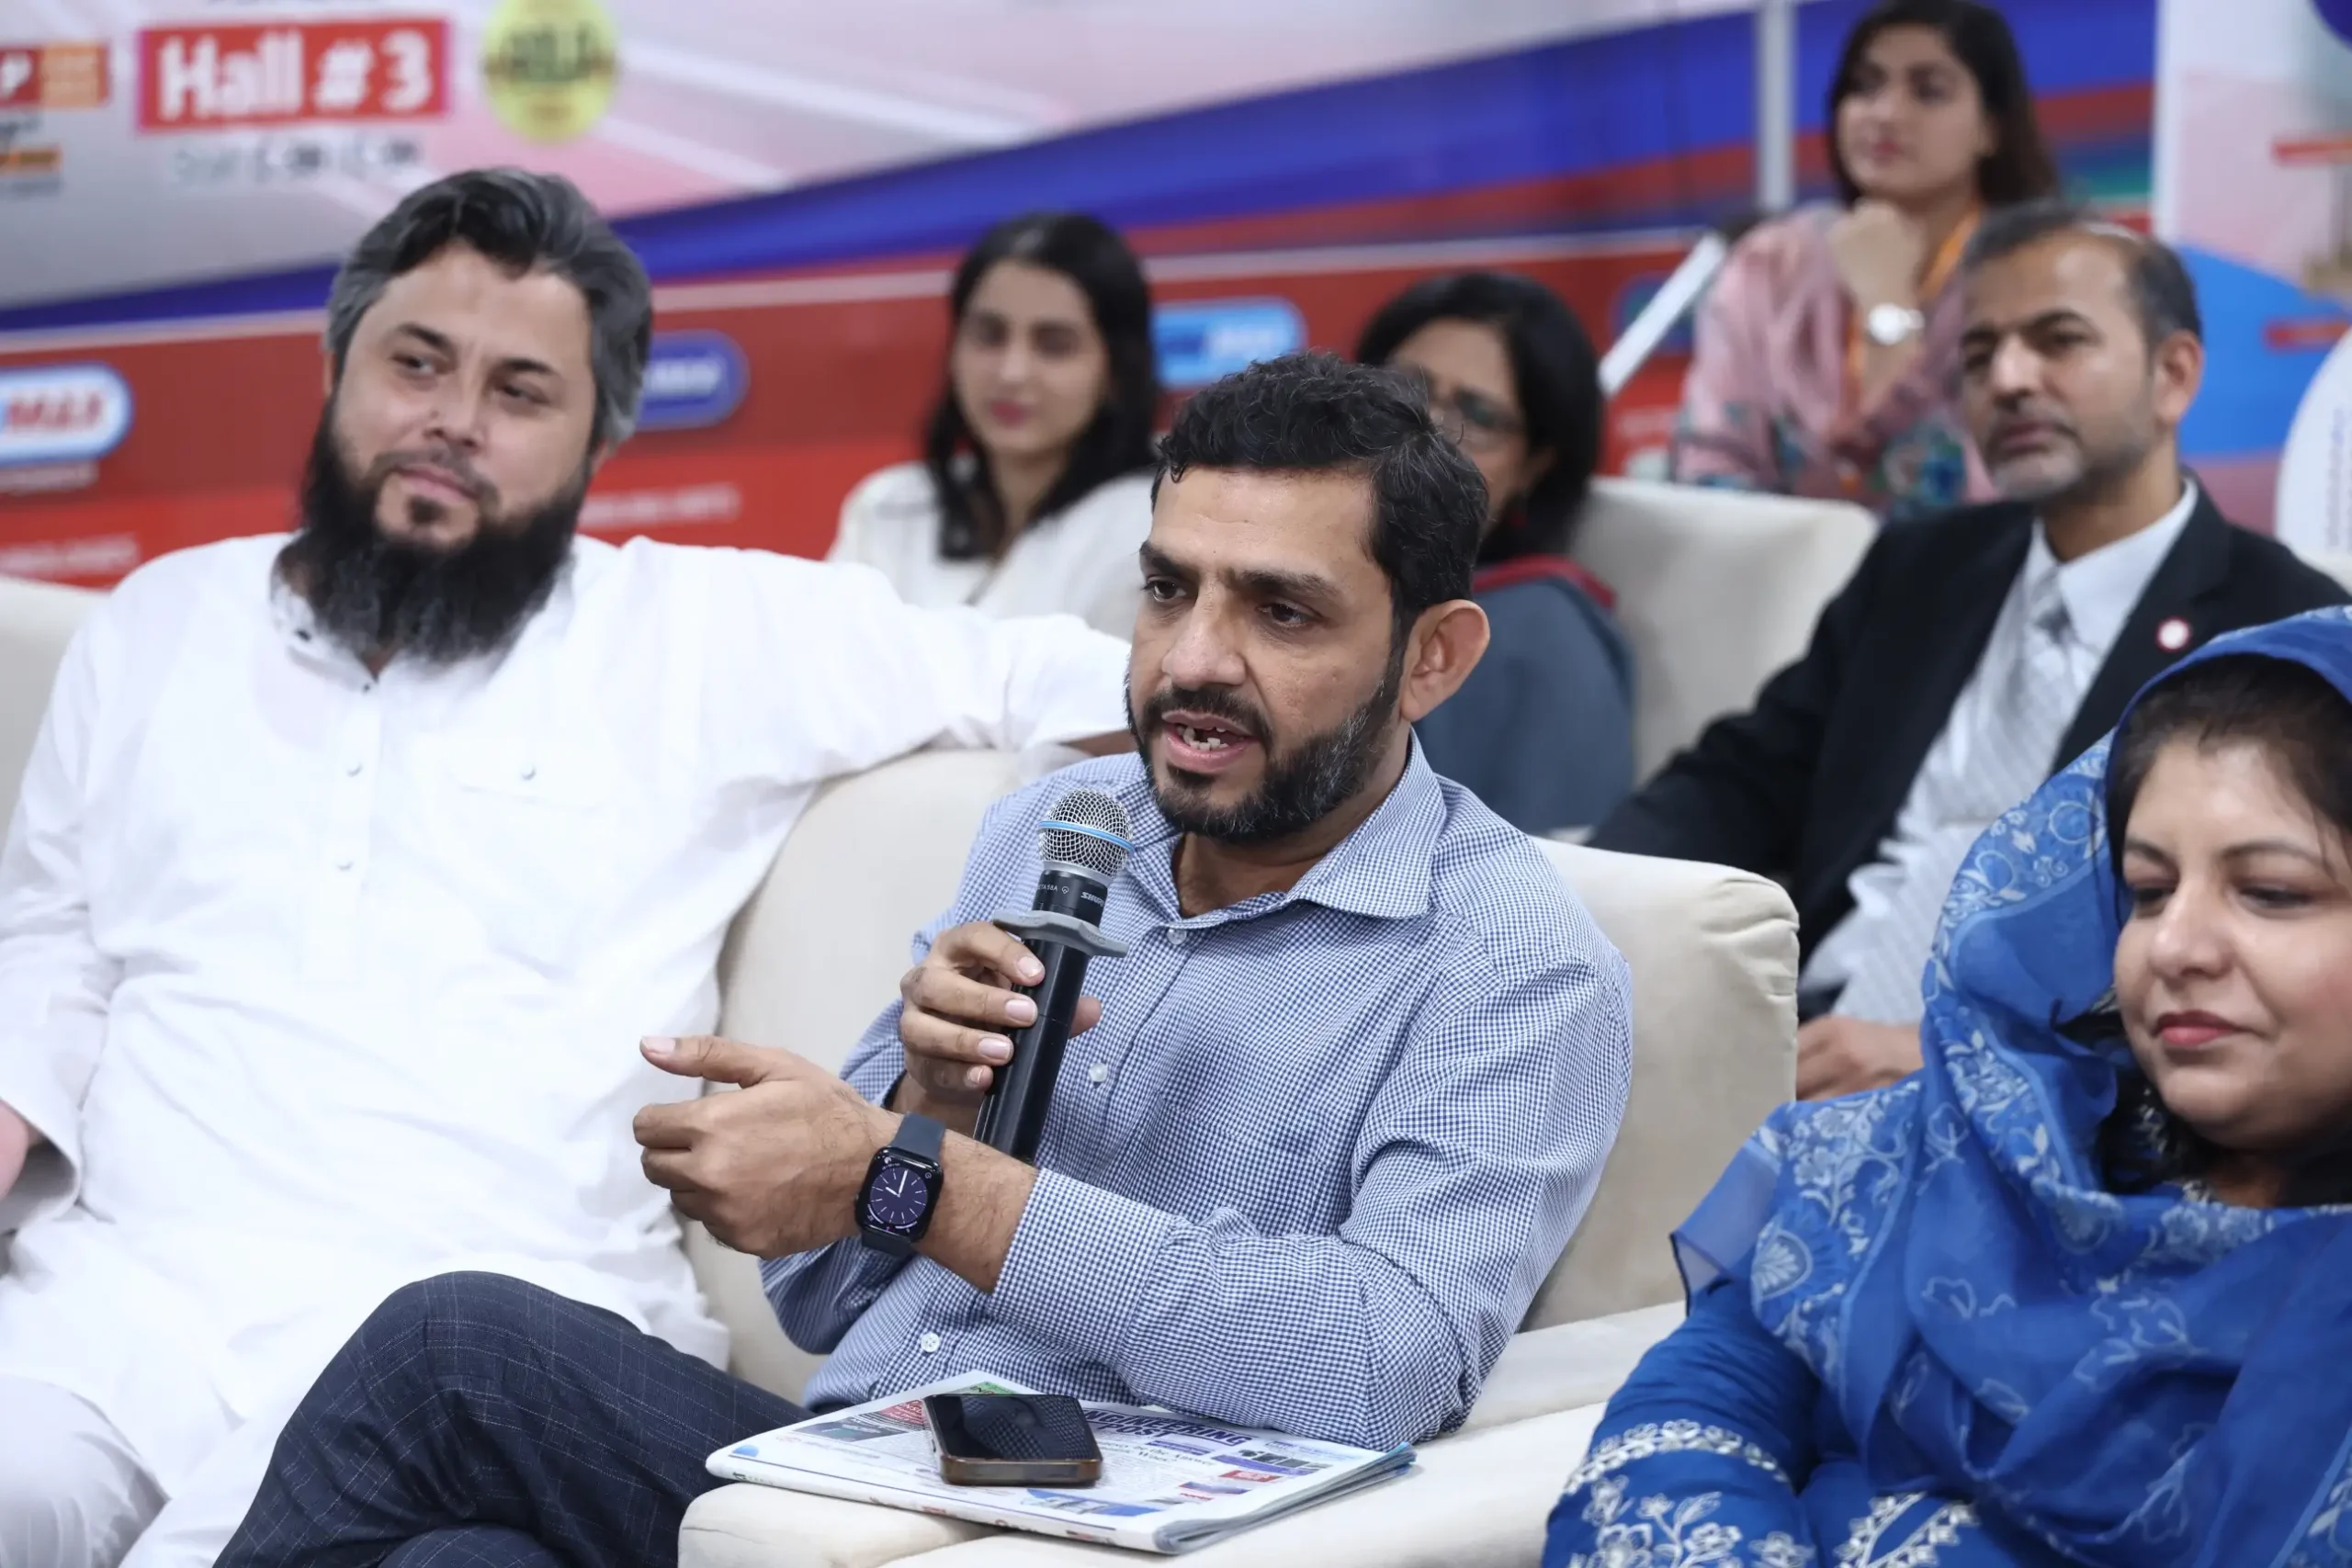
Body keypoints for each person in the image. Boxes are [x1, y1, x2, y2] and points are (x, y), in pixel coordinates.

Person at [215, 353, 1636, 1566]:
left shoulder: (1510, 961)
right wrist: (926, 1101)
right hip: (835, 1477)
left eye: (1281, 610)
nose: (1194, 659)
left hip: (1058, 1533)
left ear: (1434, 656)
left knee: (451, 1349)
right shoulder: (1062, 828)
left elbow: (1385, 1360)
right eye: (1167, 589)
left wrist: (930, 1179)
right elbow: (818, 1297)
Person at [0, 169, 1136, 1568]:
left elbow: (1065, 674)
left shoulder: (695, 634)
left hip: (468, 1325)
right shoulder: (159, 619)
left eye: (520, 391)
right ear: (336, 368)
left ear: (598, 437)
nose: (453, 419)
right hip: (122, 1312)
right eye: (417, 363)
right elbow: (52, 937)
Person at [1548, 608, 2352, 1568]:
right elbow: (1698, 1402)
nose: (2174, 946)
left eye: (2270, 892)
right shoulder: (1994, 1143)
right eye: (2146, 890)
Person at [1592, 202, 2347, 1101]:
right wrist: (1567, 894)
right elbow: (1741, 778)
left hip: (2057, 1087)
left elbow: (2286, 955)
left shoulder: (2279, 625)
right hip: (1795, 1036)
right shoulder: (1922, 568)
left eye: (2058, 341)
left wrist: (1970, 1057)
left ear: (2173, 374)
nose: (2010, 379)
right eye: (1981, 354)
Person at [1673, 0, 2060, 521]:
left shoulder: (2040, 274)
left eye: (1928, 91)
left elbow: (2001, 492)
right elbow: (1710, 462)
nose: (1884, 113)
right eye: (1864, 87)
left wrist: (1886, 304)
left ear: (1991, 128)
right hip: (1779, 565)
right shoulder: (1769, 263)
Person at [1357, 272, 1634, 834]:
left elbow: (1550, 872)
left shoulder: (1540, 634)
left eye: (1478, 416)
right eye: (1403, 388)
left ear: (1535, 466)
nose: (1425, 432)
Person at [829, 211, 1160, 637]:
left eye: (1054, 345)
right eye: (989, 336)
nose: (1012, 372)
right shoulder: (888, 507)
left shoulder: (1153, 526)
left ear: (1116, 372)